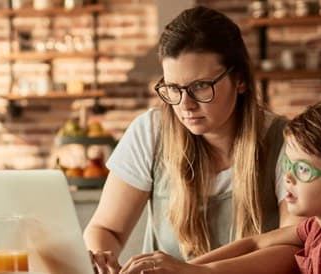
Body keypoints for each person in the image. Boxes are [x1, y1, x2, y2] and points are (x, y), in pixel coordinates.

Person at [82, 5, 304, 274]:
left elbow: (293, 248)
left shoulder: (288, 143)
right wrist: (100, 256)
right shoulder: (150, 132)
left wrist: (198, 272)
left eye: (200, 86)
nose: (185, 105)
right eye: (173, 88)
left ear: (240, 80)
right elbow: (107, 229)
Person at [120, 97, 321, 273]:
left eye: (302, 169)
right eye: (288, 164)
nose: (287, 177)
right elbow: (255, 242)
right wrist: (189, 269)